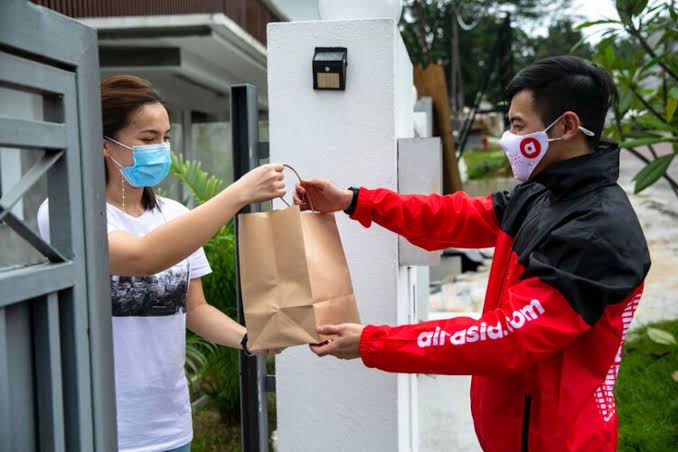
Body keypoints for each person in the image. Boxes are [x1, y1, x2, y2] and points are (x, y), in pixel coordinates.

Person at [294, 56, 651, 451]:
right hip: (519, 433)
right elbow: (454, 217)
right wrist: (354, 201)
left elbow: (506, 338)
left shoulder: (596, 232)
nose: (507, 139)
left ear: (566, 126)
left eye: (518, 125)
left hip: (561, 441)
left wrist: (373, 343)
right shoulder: (542, 193)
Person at [37, 75, 284, 452]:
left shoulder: (175, 215)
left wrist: (248, 340)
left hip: (169, 428)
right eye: (148, 139)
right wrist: (238, 194)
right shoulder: (66, 212)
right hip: (98, 427)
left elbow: (195, 309)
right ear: (105, 144)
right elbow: (143, 257)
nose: (162, 148)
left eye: (166, 137)